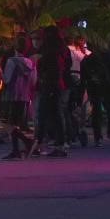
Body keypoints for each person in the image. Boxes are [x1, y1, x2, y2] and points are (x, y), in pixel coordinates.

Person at [0, 32, 38, 160]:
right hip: (25, 96)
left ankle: (26, 142)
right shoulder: (30, 62)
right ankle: (17, 149)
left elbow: (6, 79)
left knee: (8, 123)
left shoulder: (11, 61)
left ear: (15, 48)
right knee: (15, 123)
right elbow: (34, 81)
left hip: (12, 95)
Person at [34, 24, 71, 157]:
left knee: (47, 114)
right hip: (56, 84)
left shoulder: (51, 51)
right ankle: (54, 143)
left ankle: (42, 144)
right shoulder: (61, 49)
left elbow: (51, 69)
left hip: (51, 84)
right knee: (54, 114)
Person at [81, 31, 110, 144]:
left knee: (97, 111)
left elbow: (84, 77)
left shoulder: (87, 60)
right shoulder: (107, 56)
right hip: (107, 85)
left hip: (95, 86)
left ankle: (98, 136)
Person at [66, 31, 92, 148]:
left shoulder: (69, 51)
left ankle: (73, 133)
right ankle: (81, 130)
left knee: (71, 108)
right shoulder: (87, 54)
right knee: (82, 108)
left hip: (71, 80)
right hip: (83, 81)